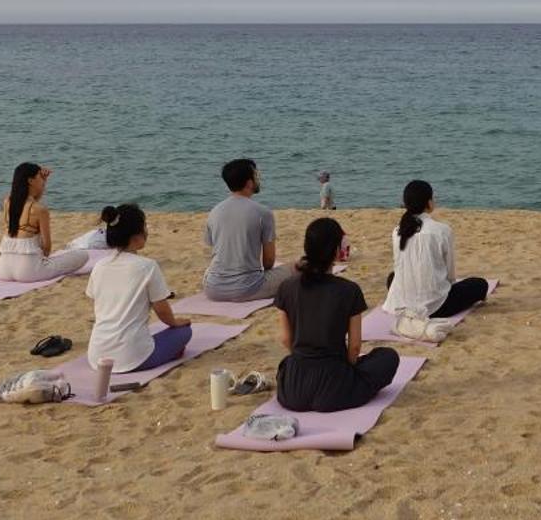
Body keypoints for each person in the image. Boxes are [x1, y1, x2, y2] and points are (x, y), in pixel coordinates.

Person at [274, 218, 400, 412]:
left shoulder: (286, 287)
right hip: (335, 389)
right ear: (336, 251)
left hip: (293, 391)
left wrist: (303, 359)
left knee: (286, 363)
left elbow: (285, 339)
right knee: (388, 357)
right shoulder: (349, 290)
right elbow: (355, 347)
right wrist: (348, 369)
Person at [85, 204, 192, 402]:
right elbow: (162, 311)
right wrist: (175, 323)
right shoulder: (147, 267)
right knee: (185, 332)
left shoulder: (99, 266)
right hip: (135, 357)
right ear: (136, 236)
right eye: (144, 226)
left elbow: (96, 300)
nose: (146, 231)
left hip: (96, 356)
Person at [383, 180, 488, 321]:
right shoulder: (442, 230)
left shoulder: (397, 231)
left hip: (403, 302)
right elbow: (450, 274)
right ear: (429, 202)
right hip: (437, 307)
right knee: (480, 284)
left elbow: (399, 265)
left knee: (392, 277)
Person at [201, 158, 292, 301]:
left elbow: (214, 249)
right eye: (256, 176)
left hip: (212, 288)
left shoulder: (214, 211)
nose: (258, 178)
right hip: (247, 288)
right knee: (296, 268)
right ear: (249, 183)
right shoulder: (263, 213)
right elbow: (268, 262)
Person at [0, 162, 91, 282]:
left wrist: (43, 181)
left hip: (3, 269)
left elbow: (31, 200)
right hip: (28, 271)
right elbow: (47, 248)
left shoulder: (7, 201)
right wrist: (42, 259)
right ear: (30, 180)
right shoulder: (40, 210)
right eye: (39, 177)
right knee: (82, 256)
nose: (42, 180)